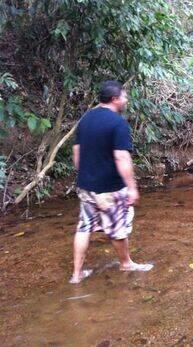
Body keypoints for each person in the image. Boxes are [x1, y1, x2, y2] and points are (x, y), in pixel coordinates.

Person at [70, 80, 153, 284]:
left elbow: (76, 152)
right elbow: (121, 158)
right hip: (110, 188)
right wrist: (132, 188)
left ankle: (77, 274)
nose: (127, 99)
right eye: (124, 96)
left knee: (84, 228)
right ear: (115, 99)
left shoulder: (86, 118)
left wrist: (86, 175)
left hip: (86, 185)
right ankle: (126, 264)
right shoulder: (118, 123)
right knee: (118, 229)